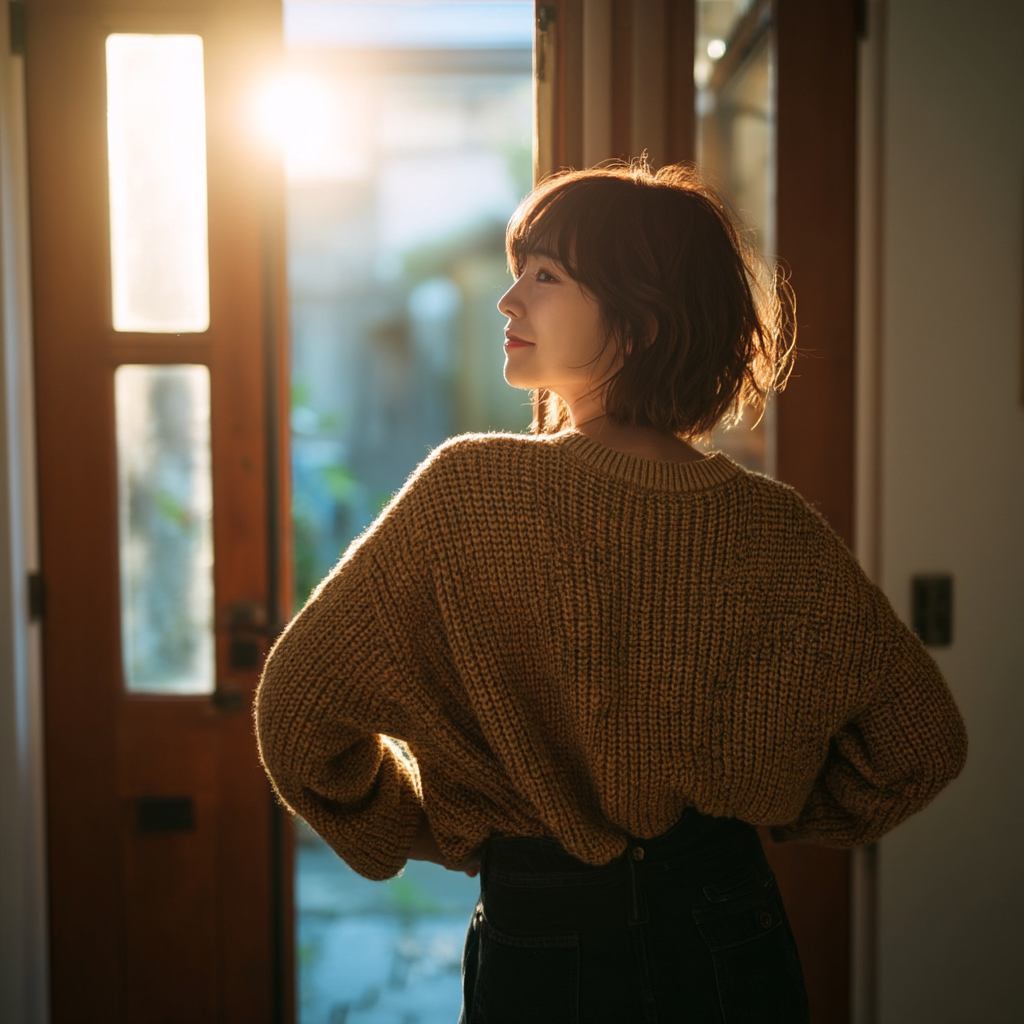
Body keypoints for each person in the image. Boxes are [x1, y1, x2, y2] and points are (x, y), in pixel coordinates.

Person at [255, 163, 967, 1023]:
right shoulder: (777, 530)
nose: (506, 299)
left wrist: (431, 831)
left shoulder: (469, 492)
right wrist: (753, 809)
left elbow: (297, 719)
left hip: (544, 935)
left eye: (545, 276)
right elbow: (919, 746)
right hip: (729, 923)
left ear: (642, 322)